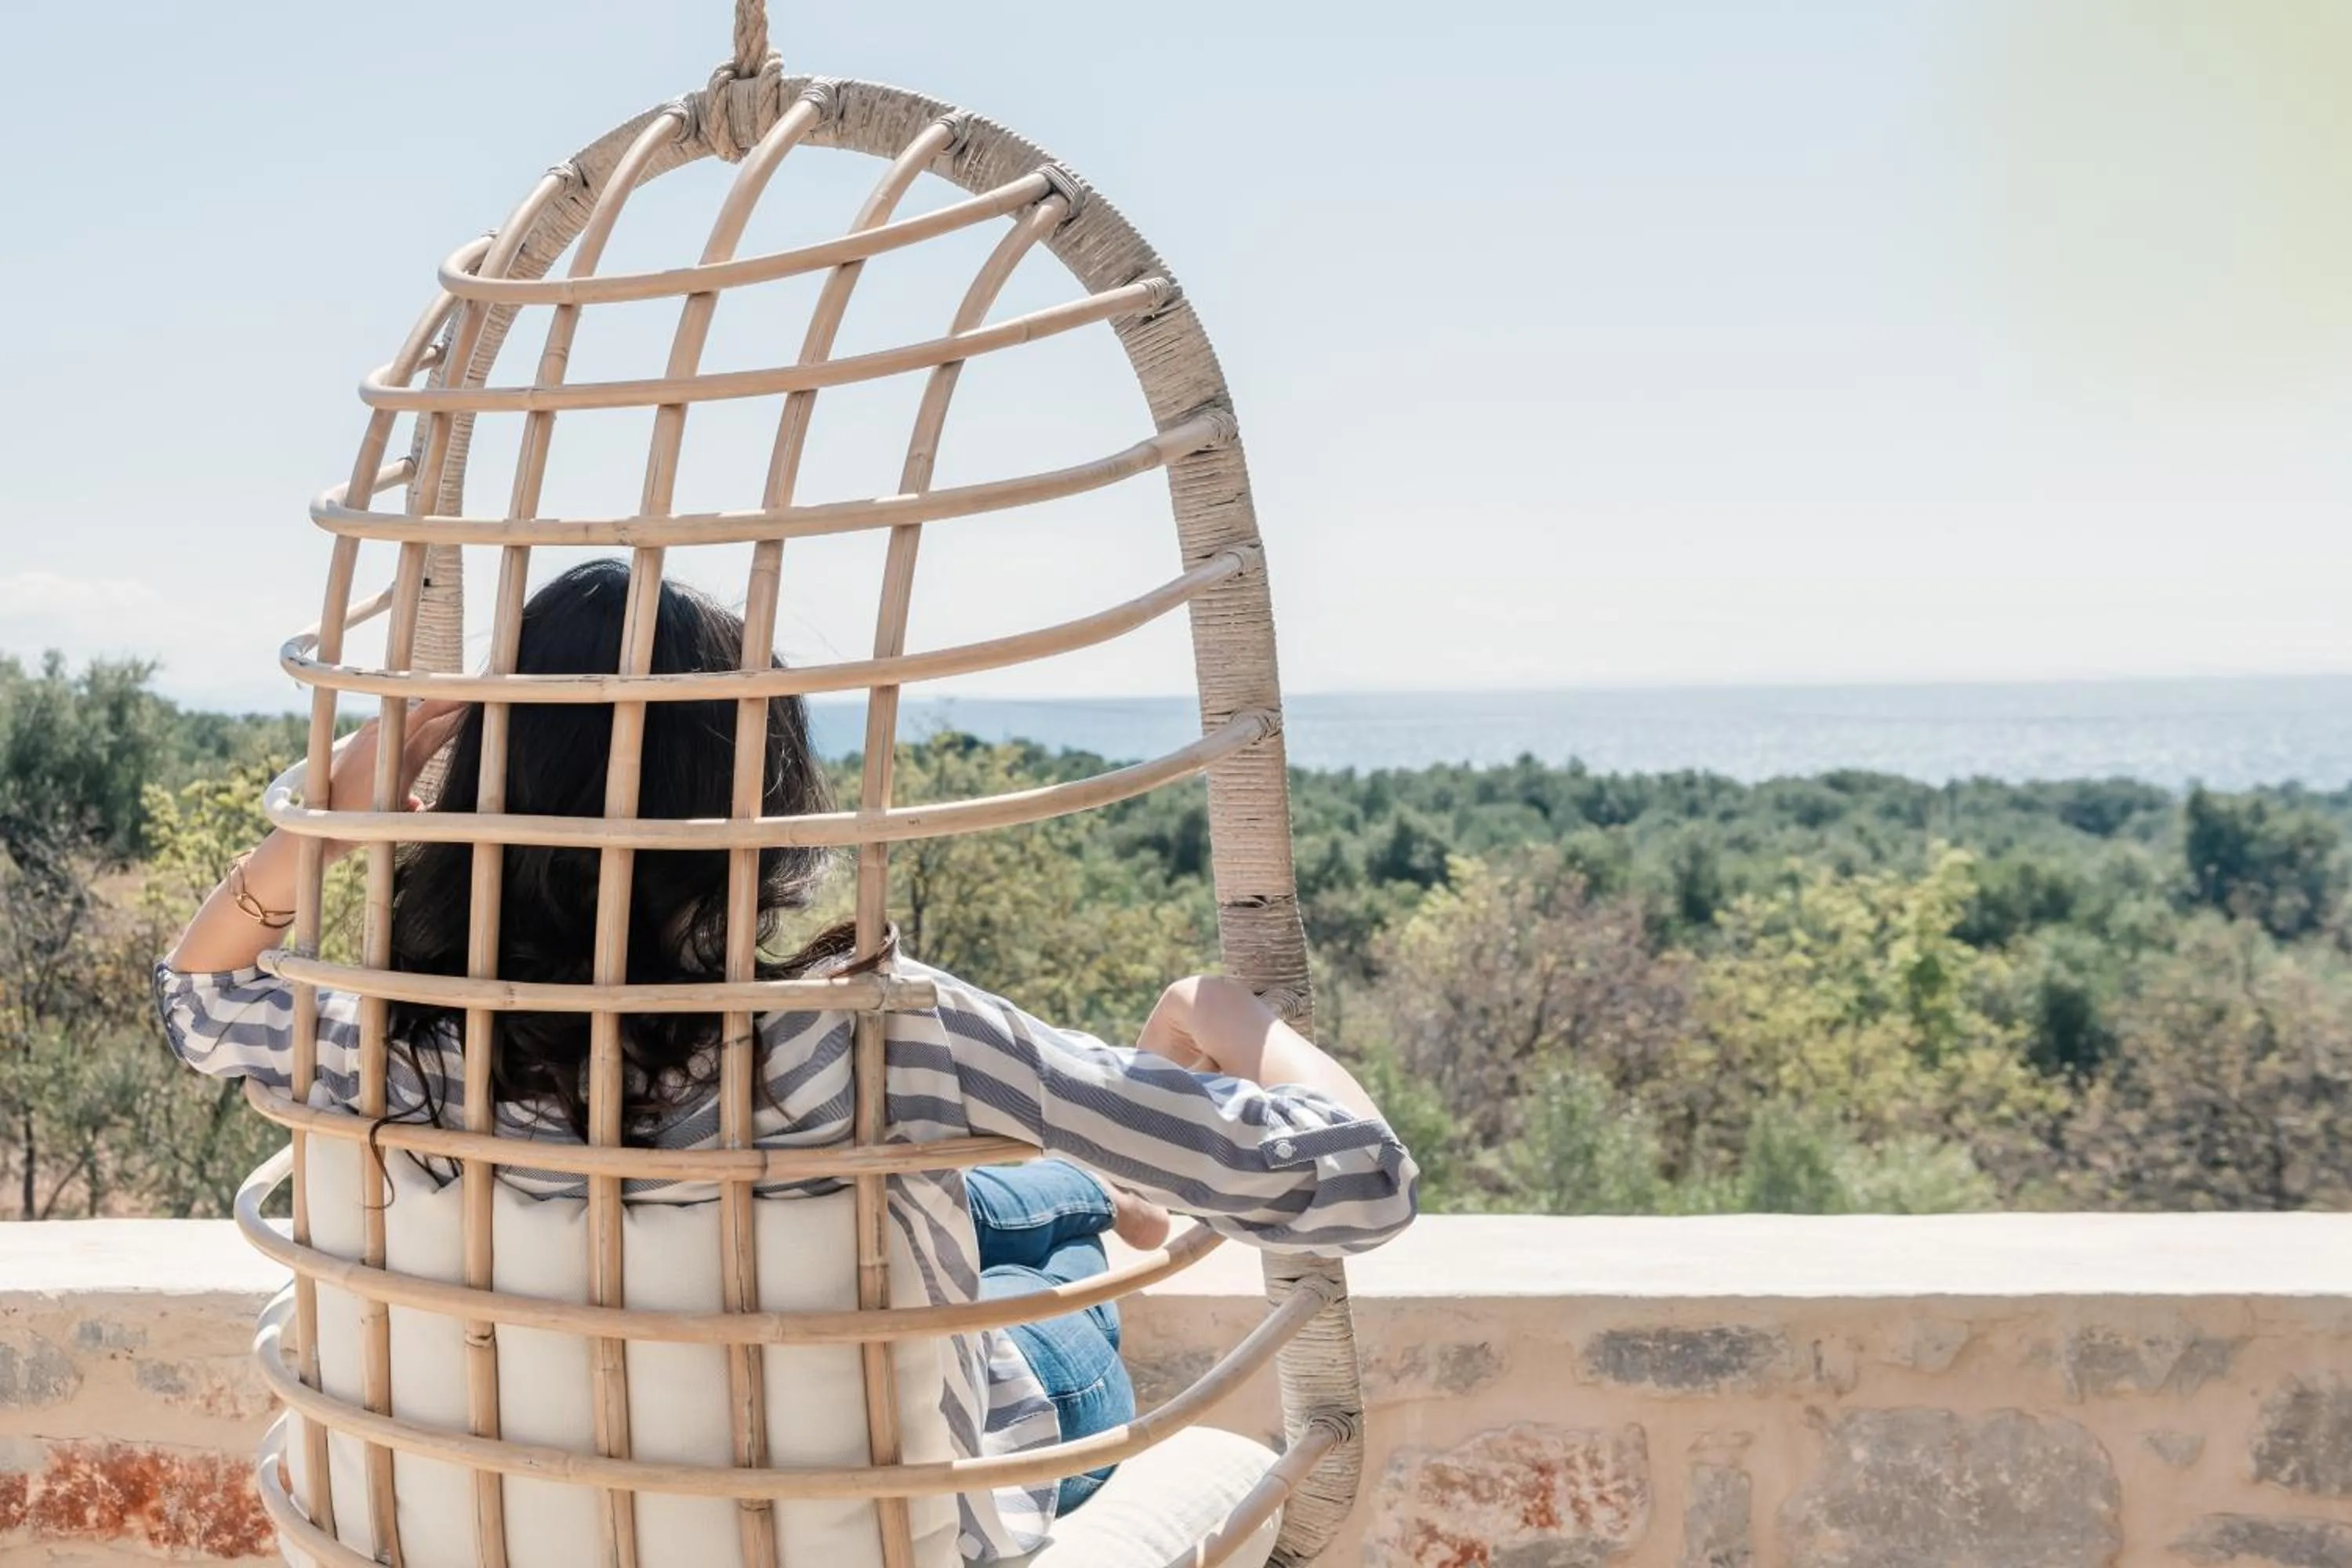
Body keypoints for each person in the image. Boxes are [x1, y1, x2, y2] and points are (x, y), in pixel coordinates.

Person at [155, 558, 1417, 1562]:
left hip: (525, 1506)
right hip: (925, 1480)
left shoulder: (385, 1043)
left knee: (964, 1194)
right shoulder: (868, 1042)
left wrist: (339, 800)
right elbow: (1359, 1184)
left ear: (491, 778)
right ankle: (1111, 1191)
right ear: (759, 797)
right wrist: (1226, 1008)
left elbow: (196, 995)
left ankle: (1106, 1187)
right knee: (1019, 1241)